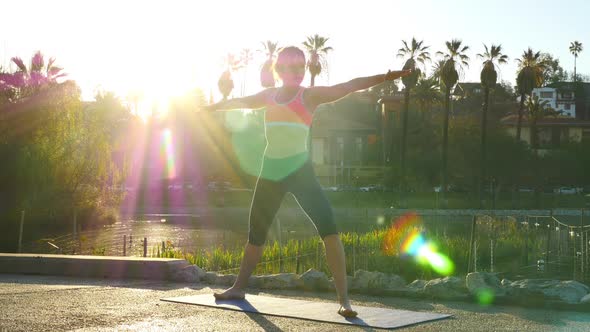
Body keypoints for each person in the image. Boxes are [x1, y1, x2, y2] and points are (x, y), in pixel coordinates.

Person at [205, 46, 411, 318]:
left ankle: (344, 300)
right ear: (278, 71)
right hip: (270, 172)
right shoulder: (269, 96)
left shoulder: (310, 96)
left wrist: (387, 76)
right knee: (256, 234)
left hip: (300, 172)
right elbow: (241, 101)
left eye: (301, 67)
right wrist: (215, 106)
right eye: (290, 67)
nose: (297, 72)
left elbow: (349, 85)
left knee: (329, 228)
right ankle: (239, 287)